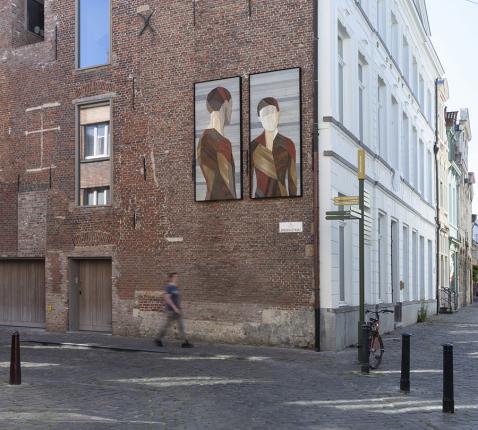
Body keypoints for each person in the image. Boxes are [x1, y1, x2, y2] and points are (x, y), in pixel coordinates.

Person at [250, 97, 297, 198]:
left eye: (272, 112)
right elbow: (247, 182)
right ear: (259, 118)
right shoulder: (253, 146)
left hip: (282, 197)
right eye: (265, 114)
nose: (269, 118)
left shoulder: (288, 144)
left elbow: (292, 181)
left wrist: (293, 201)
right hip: (259, 199)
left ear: (278, 114)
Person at [197, 86, 237, 200]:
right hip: (221, 202)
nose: (231, 110)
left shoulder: (204, 138)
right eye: (231, 105)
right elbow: (228, 186)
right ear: (225, 104)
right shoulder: (220, 142)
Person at [155, 273, 193, 348]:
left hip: (177, 311)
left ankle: (185, 342)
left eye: (177, 277)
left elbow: (176, 299)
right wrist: (175, 308)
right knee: (166, 326)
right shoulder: (169, 287)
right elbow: (167, 298)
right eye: (175, 277)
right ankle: (158, 339)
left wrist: (179, 308)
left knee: (181, 326)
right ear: (171, 278)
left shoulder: (176, 287)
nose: (177, 278)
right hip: (171, 311)